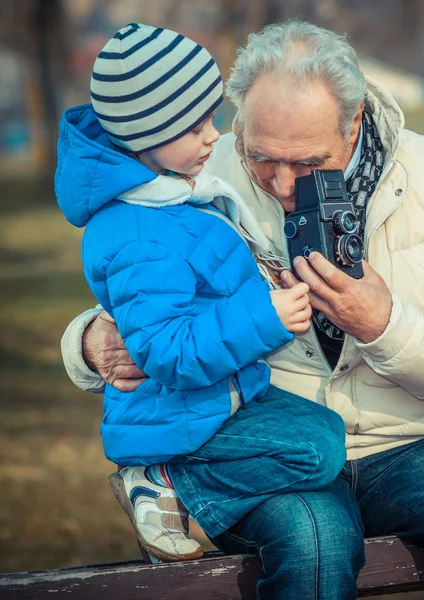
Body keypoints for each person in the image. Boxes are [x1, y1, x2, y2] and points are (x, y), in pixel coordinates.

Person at [61, 20, 424, 599]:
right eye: (263, 158)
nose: (284, 183)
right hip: (263, 438)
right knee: (314, 543)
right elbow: (136, 294)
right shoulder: (191, 170)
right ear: (240, 118)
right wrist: (89, 343)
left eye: (309, 162)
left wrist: (384, 324)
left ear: (355, 123)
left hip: (404, 440)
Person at [55, 22, 348, 565]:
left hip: (220, 397)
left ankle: (171, 480)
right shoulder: (142, 230)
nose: (214, 136)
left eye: (211, 117)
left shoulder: (171, 194)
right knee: (316, 449)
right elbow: (169, 353)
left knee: (323, 435)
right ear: (145, 139)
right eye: (194, 127)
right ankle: (162, 480)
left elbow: (203, 285)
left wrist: (268, 286)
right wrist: (263, 316)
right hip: (176, 412)